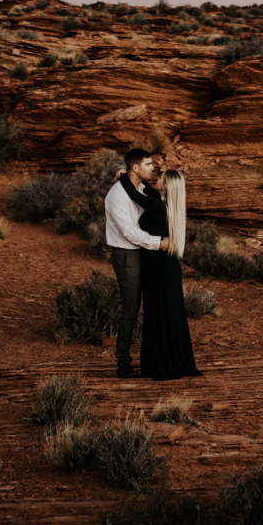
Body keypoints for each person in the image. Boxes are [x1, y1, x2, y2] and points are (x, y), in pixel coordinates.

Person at [138, 169, 203, 381]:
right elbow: (148, 190)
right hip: (166, 268)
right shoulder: (168, 206)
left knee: (159, 315)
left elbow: (134, 194)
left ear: (165, 186)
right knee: (169, 317)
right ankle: (172, 361)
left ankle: (161, 365)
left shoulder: (158, 206)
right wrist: (141, 180)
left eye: (160, 178)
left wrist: (127, 176)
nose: (156, 179)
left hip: (158, 270)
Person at [103, 147, 163, 378]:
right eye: (148, 164)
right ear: (135, 167)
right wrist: (159, 243)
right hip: (127, 255)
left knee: (148, 304)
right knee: (130, 309)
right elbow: (128, 231)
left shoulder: (139, 188)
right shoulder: (117, 195)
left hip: (143, 252)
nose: (152, 167)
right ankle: (123, 363)